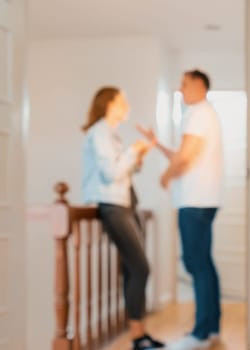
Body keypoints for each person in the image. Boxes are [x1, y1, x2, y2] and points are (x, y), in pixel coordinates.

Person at [138, 70, 224, 350]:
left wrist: (166, 176)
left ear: (199, 85)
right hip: (203, 199)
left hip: (194, 200)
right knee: (204, 264)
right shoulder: (204, 113)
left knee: (196, 264)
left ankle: (199, 334)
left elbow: (185, 159)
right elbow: (182, 154)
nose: (180, 88)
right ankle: (210, 328)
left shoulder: (199, 112)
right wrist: (158, 144)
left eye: (184, 83)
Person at [81, 86, 165, 350]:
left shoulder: (109, 133)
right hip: (113, 207)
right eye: (122, 101)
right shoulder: (99, 132)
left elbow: (122, 170)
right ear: (109, 104)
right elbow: (111, 173)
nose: (127, 105)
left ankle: (138, 335)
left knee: (133, 268)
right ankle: (138, 337)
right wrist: (133, 151)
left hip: (124, 204)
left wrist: (140, 154)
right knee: (140, 267)